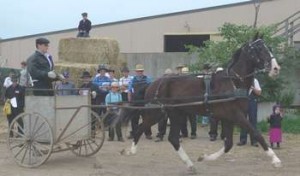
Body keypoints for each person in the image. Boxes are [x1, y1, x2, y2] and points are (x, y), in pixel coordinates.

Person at [127, 64, 152, 139]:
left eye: (141, 71)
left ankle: (148, 134)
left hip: (144, 101)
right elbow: (129, 91)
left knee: (146, 118)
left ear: (143, 71)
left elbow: (151, 89)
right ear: (136, 72)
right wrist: (130, 101)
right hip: (135, 102)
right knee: (134, 119)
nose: (139, 72)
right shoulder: (133, 80)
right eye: (138, 71)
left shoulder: (147, 79)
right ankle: (134, 133)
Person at [237, 78, 262, 147]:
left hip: (252, 101)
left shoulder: (254, 80)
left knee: (253, 120)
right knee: (243, 120)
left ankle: (254, 141)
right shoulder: (242, 80)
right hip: (243, 101)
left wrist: (252, 88)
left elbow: (259, 92)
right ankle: (242, 140)